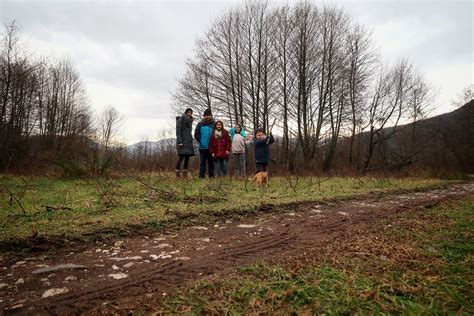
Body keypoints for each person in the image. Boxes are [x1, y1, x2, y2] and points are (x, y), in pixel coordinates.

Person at [194, 108, 215, 178]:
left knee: (211, 162)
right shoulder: (200, 124)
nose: (208, 117)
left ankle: (211, 176)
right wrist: (201, 141)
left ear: (211, 116)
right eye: (206, 115)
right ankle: (201, 176)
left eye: (209, 115)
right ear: (204, 116)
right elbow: (196, 134)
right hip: (203, 147)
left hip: (211, 147)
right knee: (202, 162)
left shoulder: (214, 124)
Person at [175, 108, 194, 179]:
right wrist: (180, 141)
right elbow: (178, 132)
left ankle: (185, 174)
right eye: (189, 112)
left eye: (191, 113)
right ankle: (177, 174)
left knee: (187, 158)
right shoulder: (180, 120)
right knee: (181, 158)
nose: (190, 114)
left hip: (188, 142)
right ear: (185, 113)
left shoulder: (189, 121)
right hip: (182, 142)